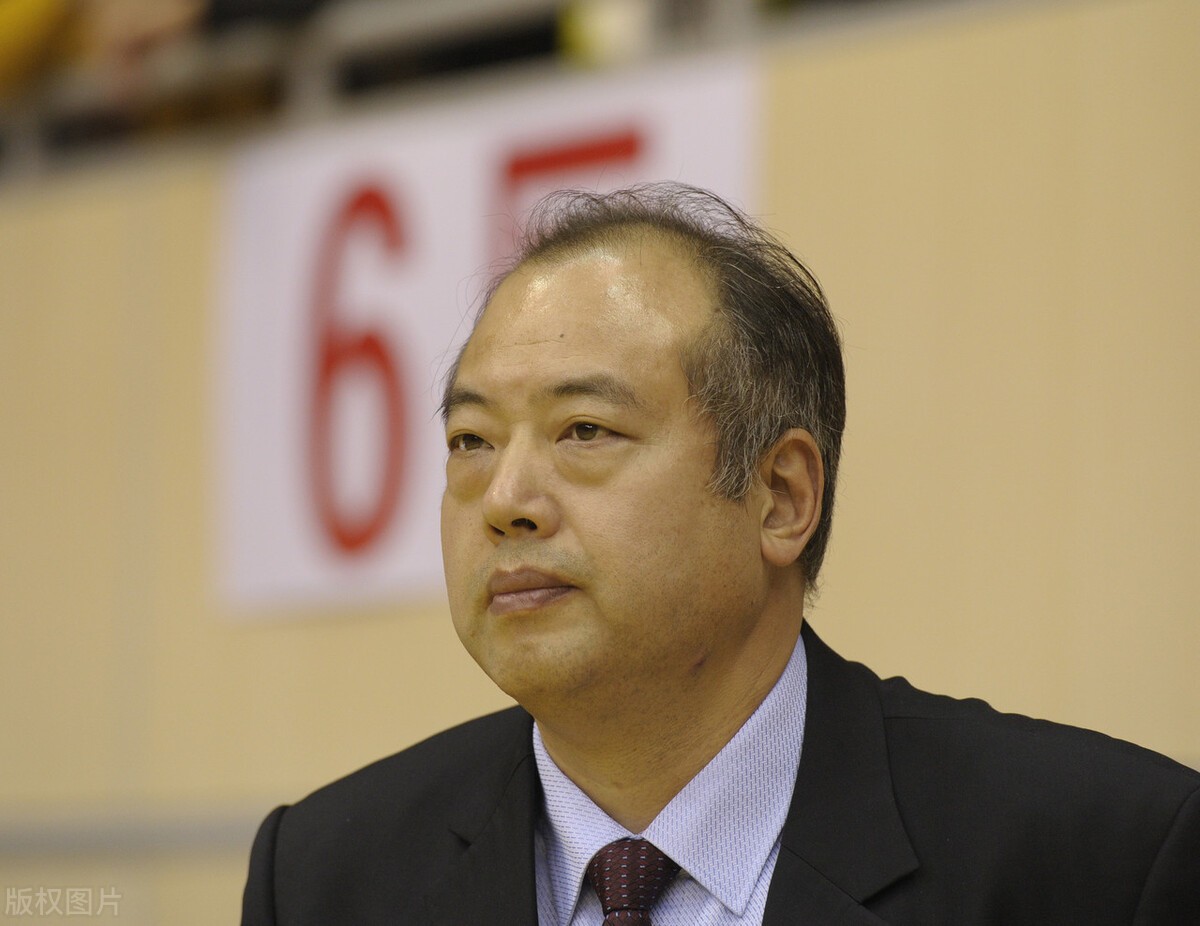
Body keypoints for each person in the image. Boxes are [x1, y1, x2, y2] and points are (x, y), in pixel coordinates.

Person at [241, 183, 1200, 924]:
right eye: (471, 442)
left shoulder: (1097, 862)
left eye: (584, 430)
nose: (504, 503)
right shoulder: (326, 878)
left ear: (781, 498)